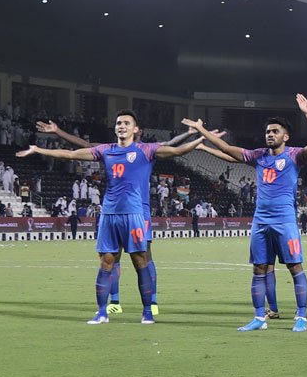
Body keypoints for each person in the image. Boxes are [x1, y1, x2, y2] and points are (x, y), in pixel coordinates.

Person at [183, 94, 307, 332]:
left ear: (286, 136)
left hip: (286, 222)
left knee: (294, 267)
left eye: (275, 131)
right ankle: (259, 318)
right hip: (260, 222)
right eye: (268, 131)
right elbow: (228, 148)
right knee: (259, 268)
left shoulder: (295, 156)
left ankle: (301, 316)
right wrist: (202, 131)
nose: (270, 134)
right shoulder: (258, 156)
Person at [19, 112, 202, 323]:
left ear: (136, 129)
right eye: (118, 123)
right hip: (109, 214)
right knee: (107, 261)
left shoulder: (146, 150)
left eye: (126, 123)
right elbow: (72, 154)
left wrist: (200, 137)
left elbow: (176, 150)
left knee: (140, 260)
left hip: (135, 214)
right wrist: (39, 149)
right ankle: (102, 311)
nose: (121, 126)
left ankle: (148, 310)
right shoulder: (106, 150)